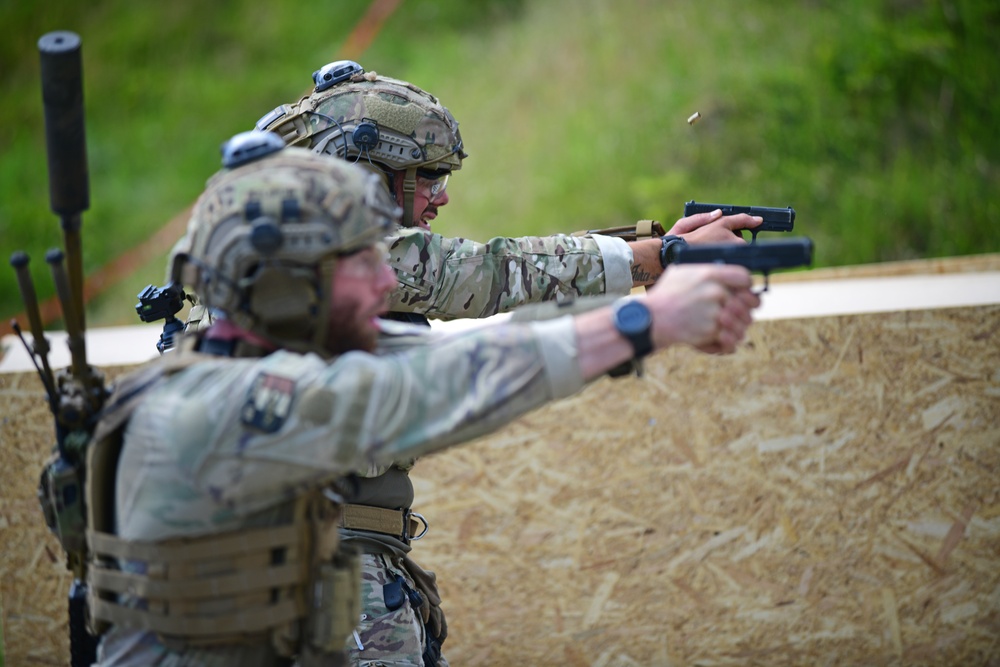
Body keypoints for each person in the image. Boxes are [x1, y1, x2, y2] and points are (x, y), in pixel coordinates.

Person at [90, 134, 758, 666]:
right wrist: (646, 322)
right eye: (364, 261)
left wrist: (656, 273)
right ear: (293, 287)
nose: (389, 279)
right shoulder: (217, 407)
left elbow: (481, 351)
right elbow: (430, 386)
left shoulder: (261, 362)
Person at [248, 64, 764, 666]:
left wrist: (648, 254)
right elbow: (486, 274)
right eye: (426, 176)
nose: (441, 195)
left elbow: (498, 276)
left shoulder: (286, 261)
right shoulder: (328, 259)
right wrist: (654, 258)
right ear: (362, 175)